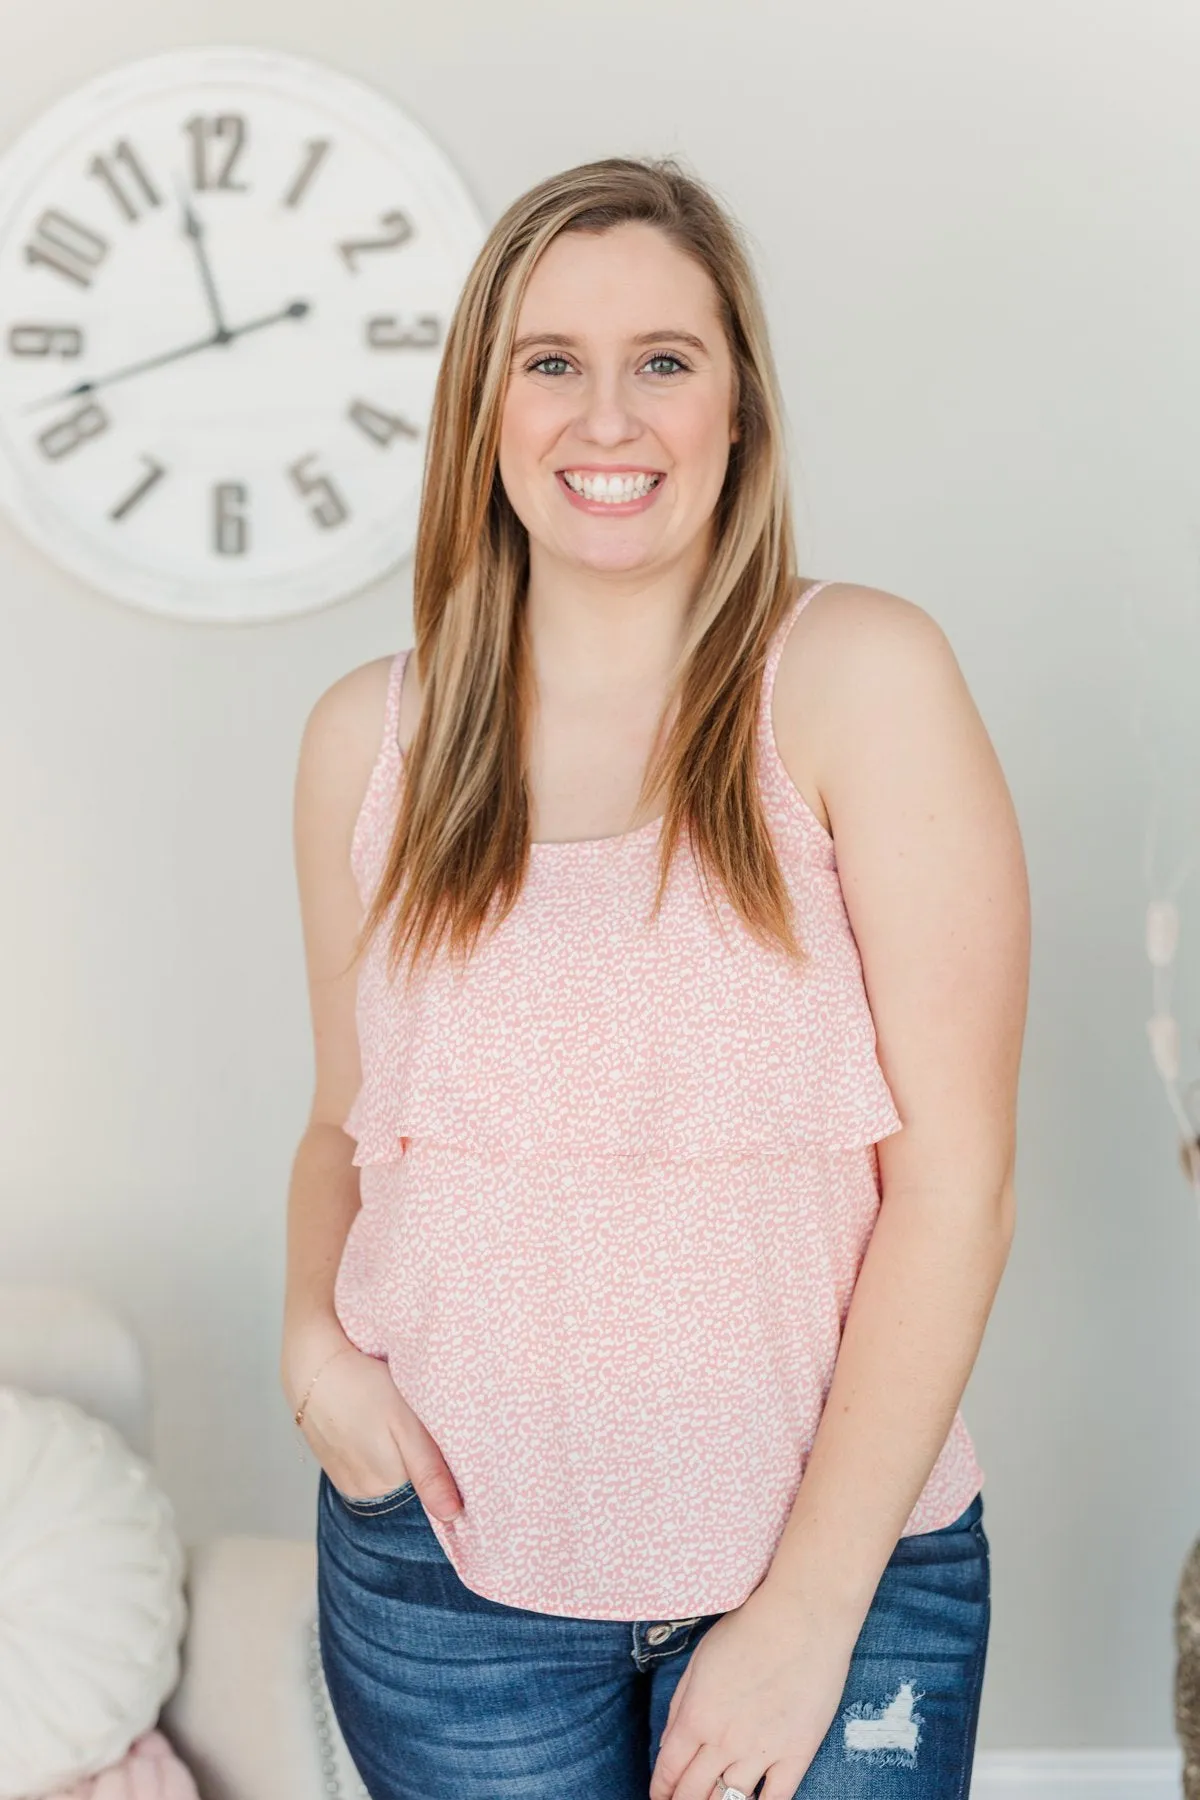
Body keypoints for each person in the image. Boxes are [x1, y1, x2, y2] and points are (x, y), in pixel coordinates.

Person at [282, 154, 1029, 1800]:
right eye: (550, 363)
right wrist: (312, 1353)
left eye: (663, 364)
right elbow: (348, 1127)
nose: (603, 418)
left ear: (740, 409)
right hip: (448, 1570)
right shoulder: (371, 739)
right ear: (485, 411)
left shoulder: (856, 680)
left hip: (831, 1563)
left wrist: (806, 1614)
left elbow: (956, 1185)